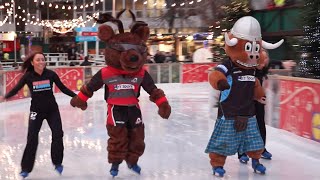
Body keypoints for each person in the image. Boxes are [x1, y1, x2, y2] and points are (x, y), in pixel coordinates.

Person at [0, 52, 76, 178]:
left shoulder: (51, 74)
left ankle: (57, 162)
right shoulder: (28, 76)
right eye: (38, 60)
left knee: (58, 135)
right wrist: (5, 97)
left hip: (52, 110)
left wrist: (78, 97)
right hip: (36, 111)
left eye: (43, 59)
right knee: (32, 138)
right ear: (32, 63)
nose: (41, 62)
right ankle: (26, 168)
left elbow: (63, 88)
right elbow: (17, 88)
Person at [238, 49, 272, 163]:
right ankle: (242, 152)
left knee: (260, 124)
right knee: (244, 124)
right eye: (263, 59)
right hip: (246, 101)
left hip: (259, 101)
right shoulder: (247, 70)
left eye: (266, 58)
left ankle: (261, 149)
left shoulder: (262, 70)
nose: (265, 61)